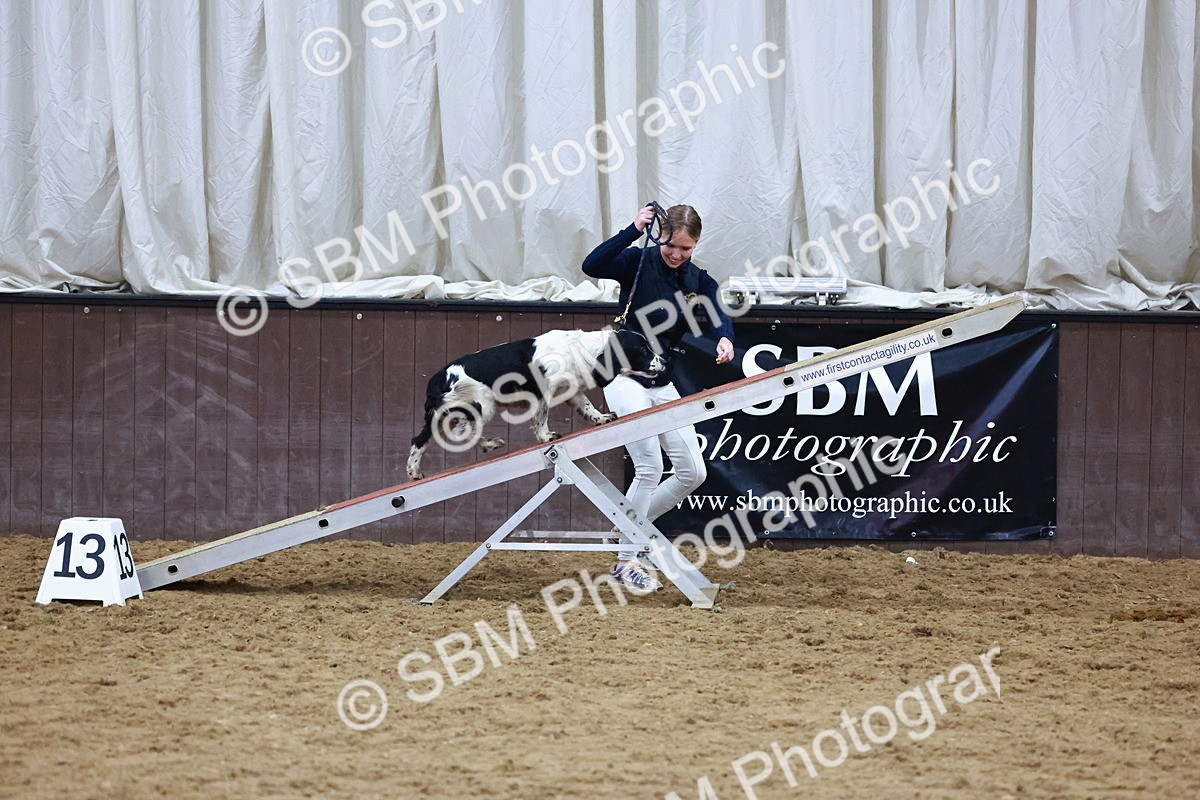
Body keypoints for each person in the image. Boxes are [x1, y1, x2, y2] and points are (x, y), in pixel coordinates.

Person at [582, 203, 735, 592]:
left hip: (660, 377)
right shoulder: (637, 260)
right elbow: (592, 265)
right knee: (649, 466)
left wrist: (725, 337)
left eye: (686, 248)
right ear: (659, 235)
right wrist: (633, 228)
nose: (676, 254)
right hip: (622, 373)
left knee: (692, 472)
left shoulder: (696, 278)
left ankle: (629, 530)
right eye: (671, 245)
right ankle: (627, 558)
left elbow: (718, 308)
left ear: (695, 245)